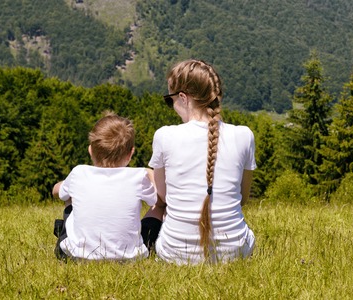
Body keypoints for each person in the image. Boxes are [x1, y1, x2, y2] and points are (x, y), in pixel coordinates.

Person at [142, 59, 256, 264]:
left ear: (184, 98)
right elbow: (242, 198)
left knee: (155, 208)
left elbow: (163, 199)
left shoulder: (165, 135)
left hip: (174, 254)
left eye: (170, 100)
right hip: (236, 253)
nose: (171, 106)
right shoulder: (244, 135)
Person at [52, 111, 156, 260]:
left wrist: (65, 185)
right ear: (130, 153)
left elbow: (56, 191)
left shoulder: (79, 173)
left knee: (68, 198)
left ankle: (77, 241)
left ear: (90, 150)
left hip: (76, 257)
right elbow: (159, 199)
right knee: (157, 207)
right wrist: (150, 172)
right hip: (129, 258)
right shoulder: (138, 176)